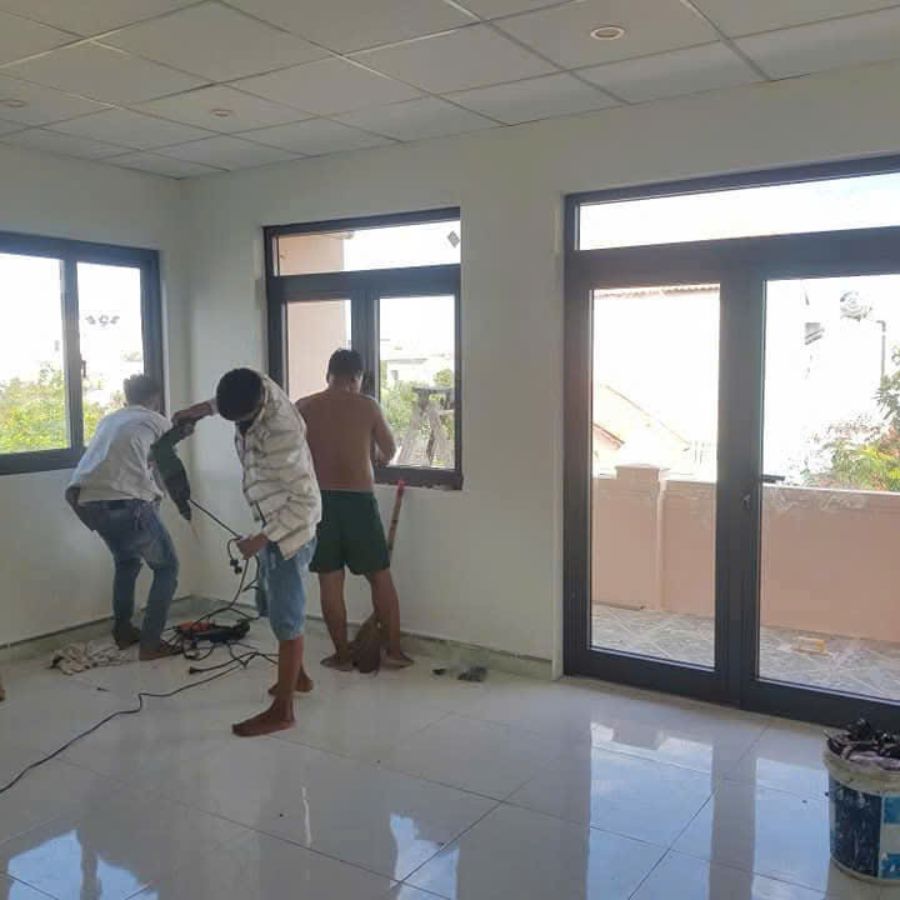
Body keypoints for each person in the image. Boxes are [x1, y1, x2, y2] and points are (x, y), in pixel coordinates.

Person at [175, 368, 321, 737]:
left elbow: (304, 503)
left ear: (257, 409)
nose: (237, 428)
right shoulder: (254, 383)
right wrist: (200, 411)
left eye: (240, 420)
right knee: (272, 606)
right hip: (271, 523)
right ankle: (298, 677)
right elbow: (226, 400)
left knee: (287, 619)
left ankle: (284, 711)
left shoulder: (283, 434)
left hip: (290, 535)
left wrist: (262, 539)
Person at [297, 349, 412, 671]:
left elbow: (292, 454)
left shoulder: (304, 407)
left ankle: (342, 657)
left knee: (330, 581)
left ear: (328, 375)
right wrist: (371, 456)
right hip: (359, 500)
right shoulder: (367, 406)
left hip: (319, 502)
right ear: (356, 378)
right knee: (380, 576)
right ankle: (394, 652)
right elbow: (389, 450)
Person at [65, 374, 179, 660]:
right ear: (155, 398)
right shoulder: (157, 421)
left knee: (127, 562)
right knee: (167, 568)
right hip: (128, 505)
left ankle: (124, 630)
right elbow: (166, 466)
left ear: (128, 398)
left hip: (90, 505)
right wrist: (169, 495)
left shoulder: (110, 420)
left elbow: (125, 459)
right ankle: (151, 644)